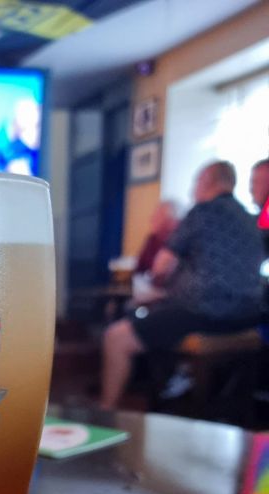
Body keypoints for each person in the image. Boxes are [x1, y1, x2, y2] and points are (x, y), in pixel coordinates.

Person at [100, 161, 265, 410]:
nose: (192, 189)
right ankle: (175, 390)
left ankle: (106, 412)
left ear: (207, 181)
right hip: (248, 316)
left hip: (206, 312)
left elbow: (161, 267)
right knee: (161, 320)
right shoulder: (252, 221)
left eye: (196, 182)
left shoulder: (201, 212)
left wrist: (162, 283)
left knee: (116, 337)